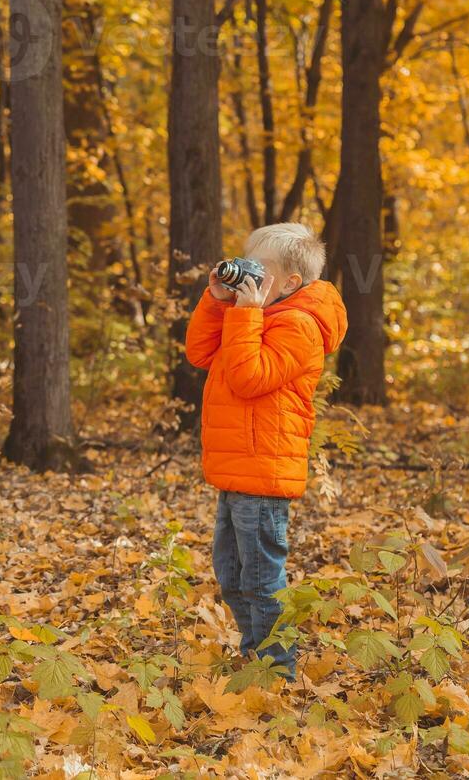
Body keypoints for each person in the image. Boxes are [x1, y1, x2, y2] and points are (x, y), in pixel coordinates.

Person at [184, 222, 348, 681]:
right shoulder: (259, 312)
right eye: (247, 264)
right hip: (237, 466)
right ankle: (255, 657)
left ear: (291, 283)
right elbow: (199, 353)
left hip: (264, 467)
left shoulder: (299, 325)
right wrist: (219, 301)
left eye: (260, 270)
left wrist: (245, 313)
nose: (250, 275)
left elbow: (249, 377)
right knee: (232, 575)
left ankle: (277, 673)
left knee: (260, 580)